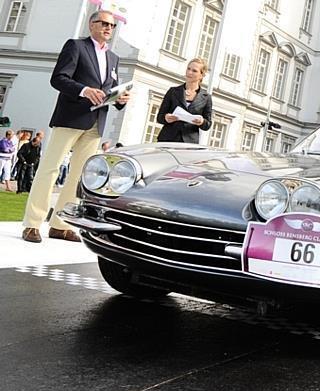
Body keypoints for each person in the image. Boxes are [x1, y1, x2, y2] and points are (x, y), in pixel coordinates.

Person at [21, 10, 130, 243]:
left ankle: (60, 225)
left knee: (79, 176)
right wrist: (84, 90)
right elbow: (58, 78)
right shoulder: (76, 46)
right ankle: (32, 223)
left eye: (112, 26)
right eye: (104, 24)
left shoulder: (114, 58)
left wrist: (120, 100)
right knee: (50, 169)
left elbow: (111, 88)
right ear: (92, 25)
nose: (109, 28)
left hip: (95, 122)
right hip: (70, 117)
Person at [156, 57, 213, 143]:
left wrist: (201, 122)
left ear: (201, 75)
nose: (189, 72)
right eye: (188, 69)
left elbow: (207, 125)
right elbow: (160, 117)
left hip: (189, 143)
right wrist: (166, 118)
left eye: (194, 71)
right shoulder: (173, 91)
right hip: (167, 139)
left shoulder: (206, 97)